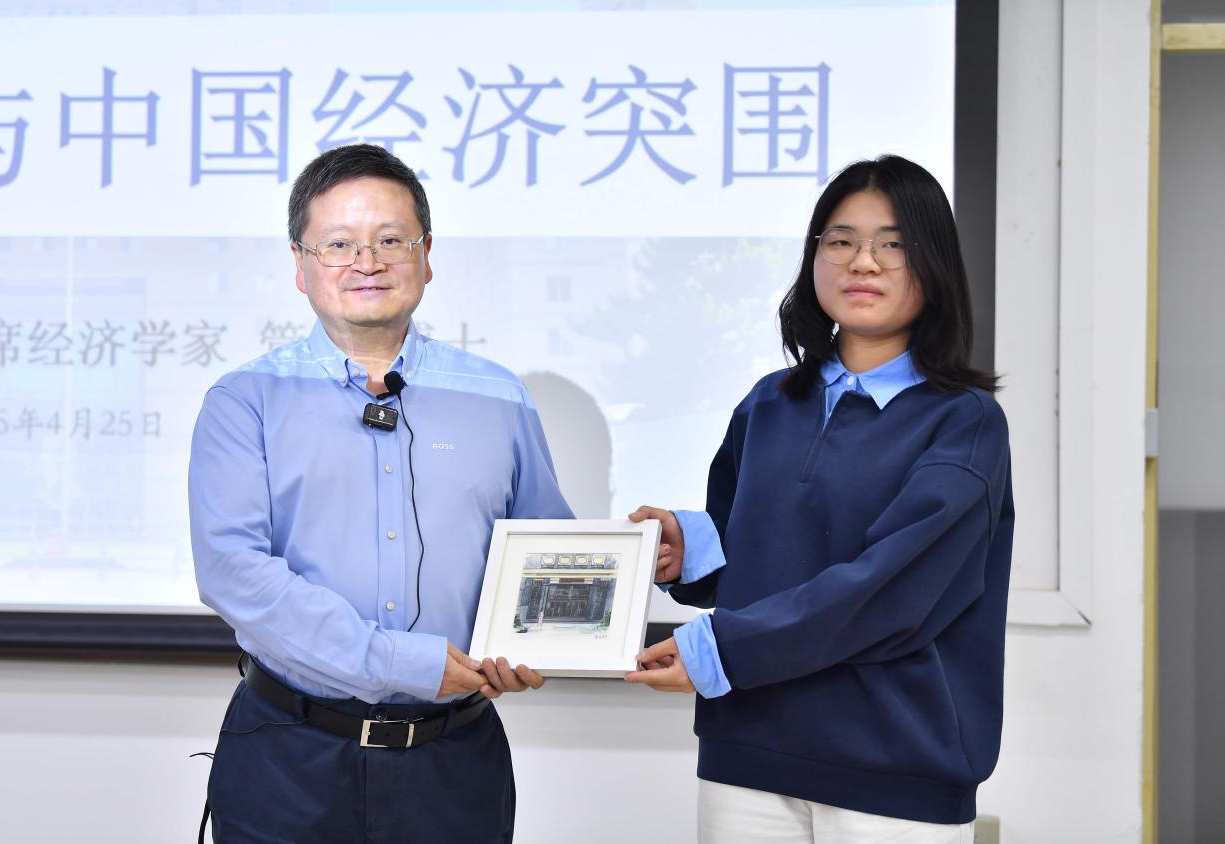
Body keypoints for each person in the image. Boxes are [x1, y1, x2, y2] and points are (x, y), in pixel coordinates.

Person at [188, 143, 572, 843]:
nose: (367, 262)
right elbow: (233, 571)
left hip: (456, 760)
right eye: (339, 244)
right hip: (289, 755)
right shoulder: (245, 400)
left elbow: (548, 552)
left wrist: (543, 640)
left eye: (391, 240)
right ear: (301, 264)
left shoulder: (497, 397)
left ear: (426, 256)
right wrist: (403, 662)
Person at [626, 155, 1014, 843]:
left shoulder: (964, 422)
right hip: (746, 755)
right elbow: (753, 546)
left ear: (934, 264)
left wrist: (726, 649)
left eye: (894, 244)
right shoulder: (769, 403)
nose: (863, 261)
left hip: (894, 772)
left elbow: (892, 591)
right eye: (841, 240)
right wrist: (693, 549)